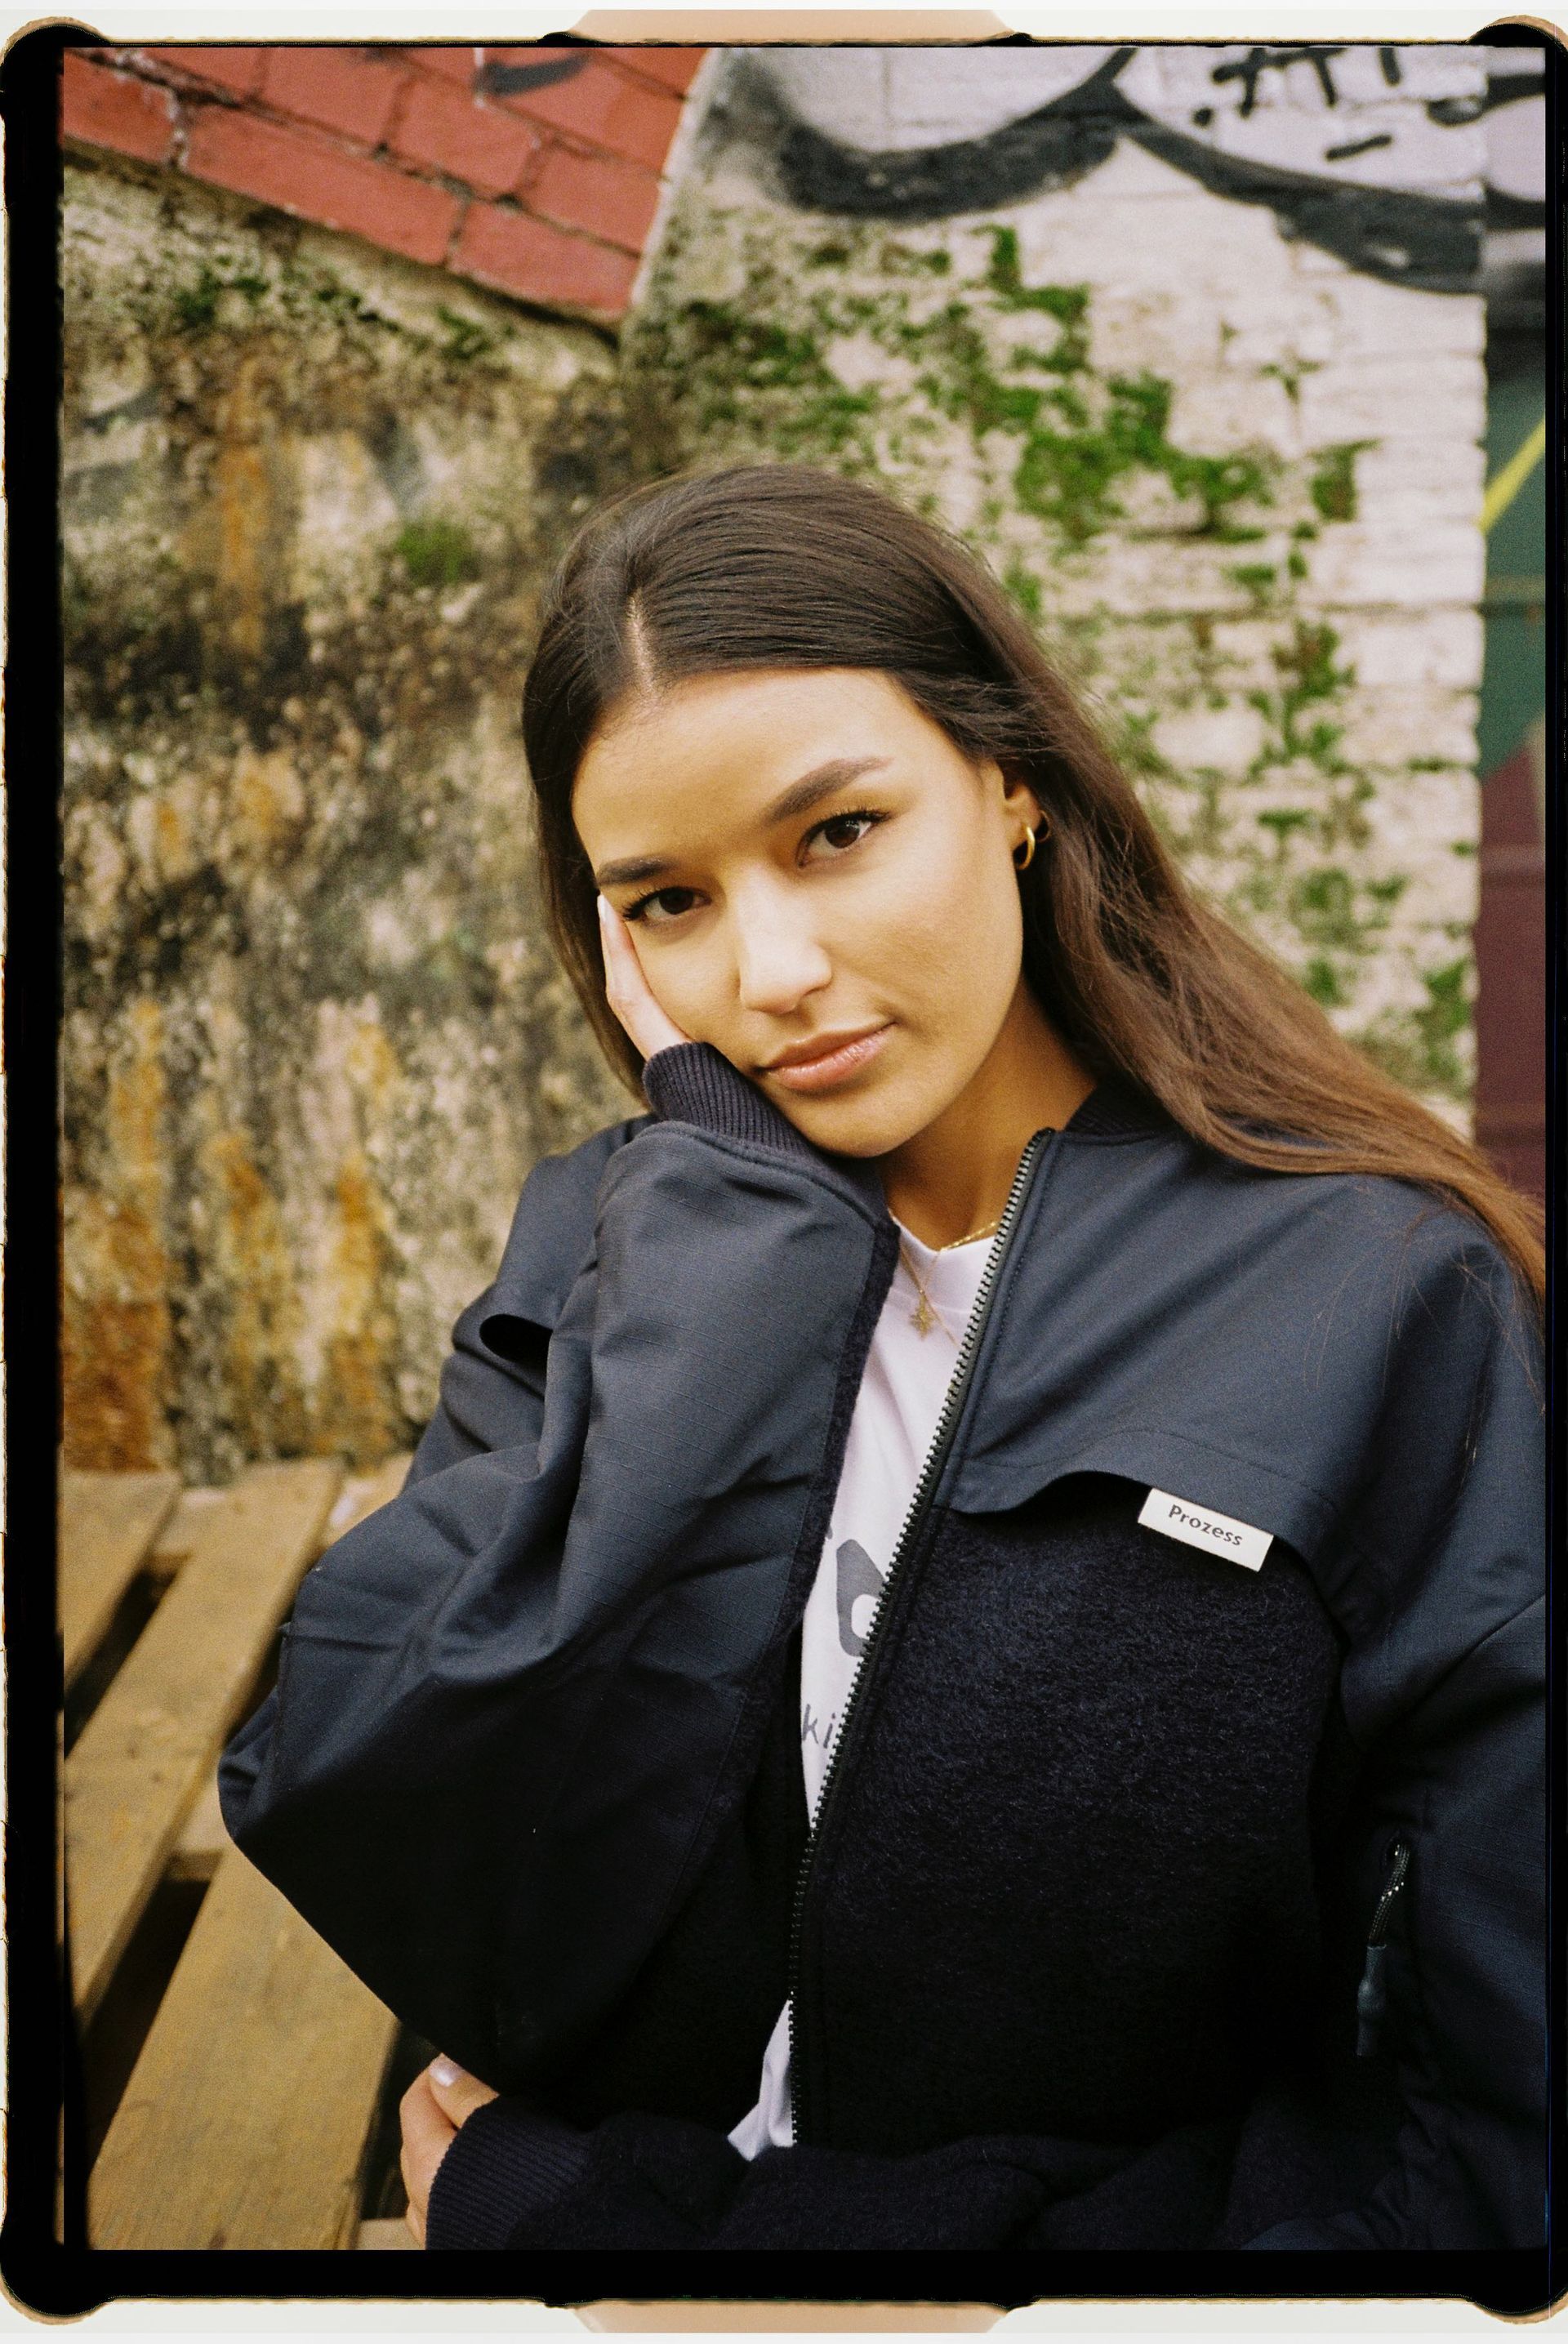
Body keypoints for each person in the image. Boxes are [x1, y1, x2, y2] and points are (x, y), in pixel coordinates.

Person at [218, 464, 1545, 2257]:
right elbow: (417, 1821)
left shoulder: (1385, 1302)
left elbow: (1467, 2143)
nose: (773, 969)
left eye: (836, 831)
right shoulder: (620, 1252)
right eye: (669, 901)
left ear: (1011, 786)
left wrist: (651, 2239)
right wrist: (743, 1253)